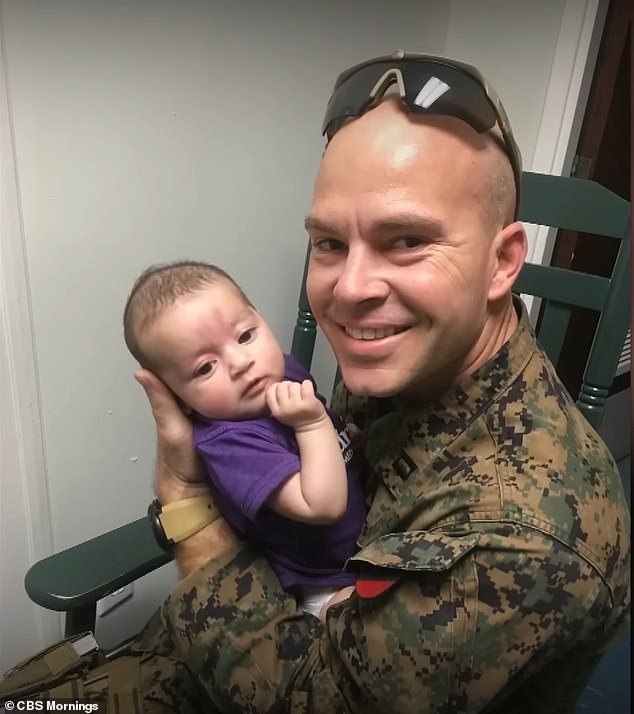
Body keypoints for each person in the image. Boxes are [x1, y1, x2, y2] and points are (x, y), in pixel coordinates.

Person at [132, 53, 631, 713]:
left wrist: (186, 496)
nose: (350, 291)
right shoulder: (410, 359)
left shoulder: (518, 534)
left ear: (502, 262)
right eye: (329, 243)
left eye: (406, 240)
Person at [123, 261, 365, 619]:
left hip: (369, 537)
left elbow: (330, 421)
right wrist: (313, 425)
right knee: (351, 616)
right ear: (178, 399)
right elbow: (322, 505)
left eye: (245, 335)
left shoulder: (278, 372)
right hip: (325, 578)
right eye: (206, 367)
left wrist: (344, 432)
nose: (240, 362)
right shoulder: (230, 444)